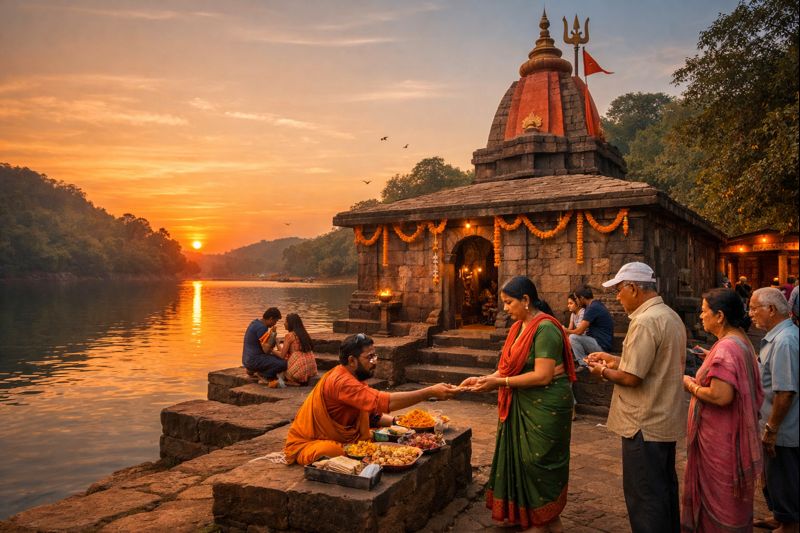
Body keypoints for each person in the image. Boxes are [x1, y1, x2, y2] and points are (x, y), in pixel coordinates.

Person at [458, 276, 576, 532]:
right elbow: (510, 368)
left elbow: (543, 375)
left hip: (546, 406)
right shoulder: (518, 327)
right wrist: (484, 379)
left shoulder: (546, 328)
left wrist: (500, 384)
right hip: (522, 401)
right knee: (522, 460)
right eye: (503, 303)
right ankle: (534, 516)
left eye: (509, 302)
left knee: (537, 462)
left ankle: (544, 519)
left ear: (526, 300)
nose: (505, 308)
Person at [585, 262, 686, 533]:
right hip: (661, 420)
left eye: (620, 290)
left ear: (633, 288)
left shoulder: (645, 321)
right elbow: (648, 364)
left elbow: (633, 378)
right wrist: (615, 360)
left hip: (643, 423)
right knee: (663, 490)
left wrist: (603, 371)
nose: (618, 297)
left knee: (644, 497)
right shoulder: (668, 315)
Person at [283, 333, 458, 466]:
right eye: (370, 357)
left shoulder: (353, 377)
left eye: (376, 356)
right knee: (335, 451)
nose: (375, 362)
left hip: (344, 435)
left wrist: (400, 423)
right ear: (352, 360)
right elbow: (383, 402)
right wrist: (428, 392)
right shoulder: (342, 381)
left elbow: (370, 413)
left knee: (376, 438)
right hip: (309, 441)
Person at [681, 289, 763, 532]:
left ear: (719, 315)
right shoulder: (739, 340)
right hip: (729, 434)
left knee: (721, 496)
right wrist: (711, 359)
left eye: (704, 312)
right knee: (731, 496)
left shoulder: (727, 348)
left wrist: (690, 385)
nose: (700, 317)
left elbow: (721, 395)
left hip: (721, 439)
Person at [748, 288, 799, 533]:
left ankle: (789, 524)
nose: (751, 314)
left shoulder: (785, 340)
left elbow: (786, 391)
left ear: (770, 309)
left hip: (785, 430)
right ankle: (781, 517)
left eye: (754, 308)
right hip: (775, 425)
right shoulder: (777, 337)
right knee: (774, 476)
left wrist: (771, 428)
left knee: (784, 476)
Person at [565, 285, 614, 369]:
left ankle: (584, 363)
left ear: (582, 298)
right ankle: (585, 358)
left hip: (602, 346)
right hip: (598, 342)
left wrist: (565, 330)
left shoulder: (592, 308)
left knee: (573, 337)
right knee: (573, 336)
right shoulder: (594, 305)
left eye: (576, 298)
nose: (576, 301)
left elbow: (579, 331)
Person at [241, 307, 287, 385]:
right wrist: (272, 335)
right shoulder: (262, 328)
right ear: (271, 318)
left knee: (275, 358)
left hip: (246, 359)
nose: (275, 324)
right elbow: (266, 350)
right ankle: (264, 374)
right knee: (283, 364)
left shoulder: (255, 323)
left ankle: (251, 369)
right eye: (275, 321)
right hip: (253, 360)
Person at [278, 313, 318, 386]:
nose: (284, 324)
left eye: (286, 322)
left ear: (290, 324)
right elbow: (283, 352)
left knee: (279, 372)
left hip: (300, 369)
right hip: (311, 368)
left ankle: (291, 381)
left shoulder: (289, 336)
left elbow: (282, 356)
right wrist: (277, 343)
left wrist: (271, 350)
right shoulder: (303, 334)